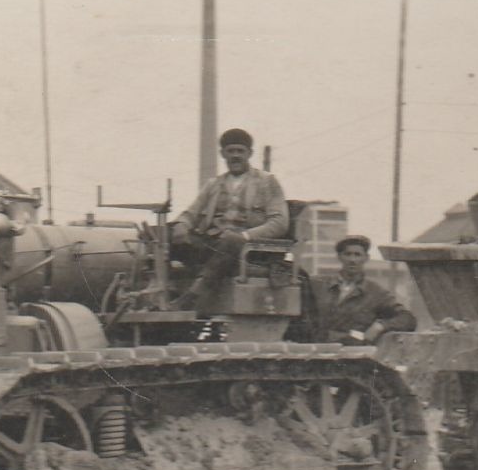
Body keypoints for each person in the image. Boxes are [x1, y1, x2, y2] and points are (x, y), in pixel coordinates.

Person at [173, 128, 288, 311]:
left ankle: (193, 295)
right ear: (223, 154)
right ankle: (160, 293)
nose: (235, 156)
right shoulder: (213, 184)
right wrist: (182, 225)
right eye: (230, 151)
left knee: (230, 240)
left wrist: (245, 236)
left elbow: (280, 222)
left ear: (249, 153)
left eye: (240, 151)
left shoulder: (266, 182)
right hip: (213, 244)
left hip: (249, 247)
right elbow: (191, 212)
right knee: (164, 233)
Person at [312, 235, 416, 345]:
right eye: (348, 254)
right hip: (315, 352)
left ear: (366, 258)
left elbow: (407, 319)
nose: (352, 260)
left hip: (352, 355)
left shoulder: (376, 293)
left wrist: (380, 326)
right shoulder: (319, 285)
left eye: (357, 255)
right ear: (339, 257)